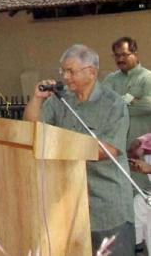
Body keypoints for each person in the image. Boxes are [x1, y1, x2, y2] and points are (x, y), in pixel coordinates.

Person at [23, 44, 135, 256]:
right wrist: (37, 98)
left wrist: (61, 146)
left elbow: (107, 150)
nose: (65, 77)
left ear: (91, 72)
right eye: (62, 71)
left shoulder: (113, 104)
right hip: (68, 207)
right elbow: (32, 130)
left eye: (70, 71)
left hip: (107, 208)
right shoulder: (61, 99)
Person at [103, 37, 151, 148]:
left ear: (135, 54)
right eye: (116, 55)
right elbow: (103, 106)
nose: (120, 59)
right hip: (116, 147)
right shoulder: (110, 79)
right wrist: (129, 99)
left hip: (142, 147)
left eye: (124, 55)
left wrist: (116, 105)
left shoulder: (147, 77)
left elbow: (148, 106)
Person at [127, 133, 151, 253]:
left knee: (140, 202)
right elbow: (133, 152)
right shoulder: (146, 140)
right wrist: (133, 153)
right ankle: (138, 247)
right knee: (140, 202)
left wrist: (150, 168)